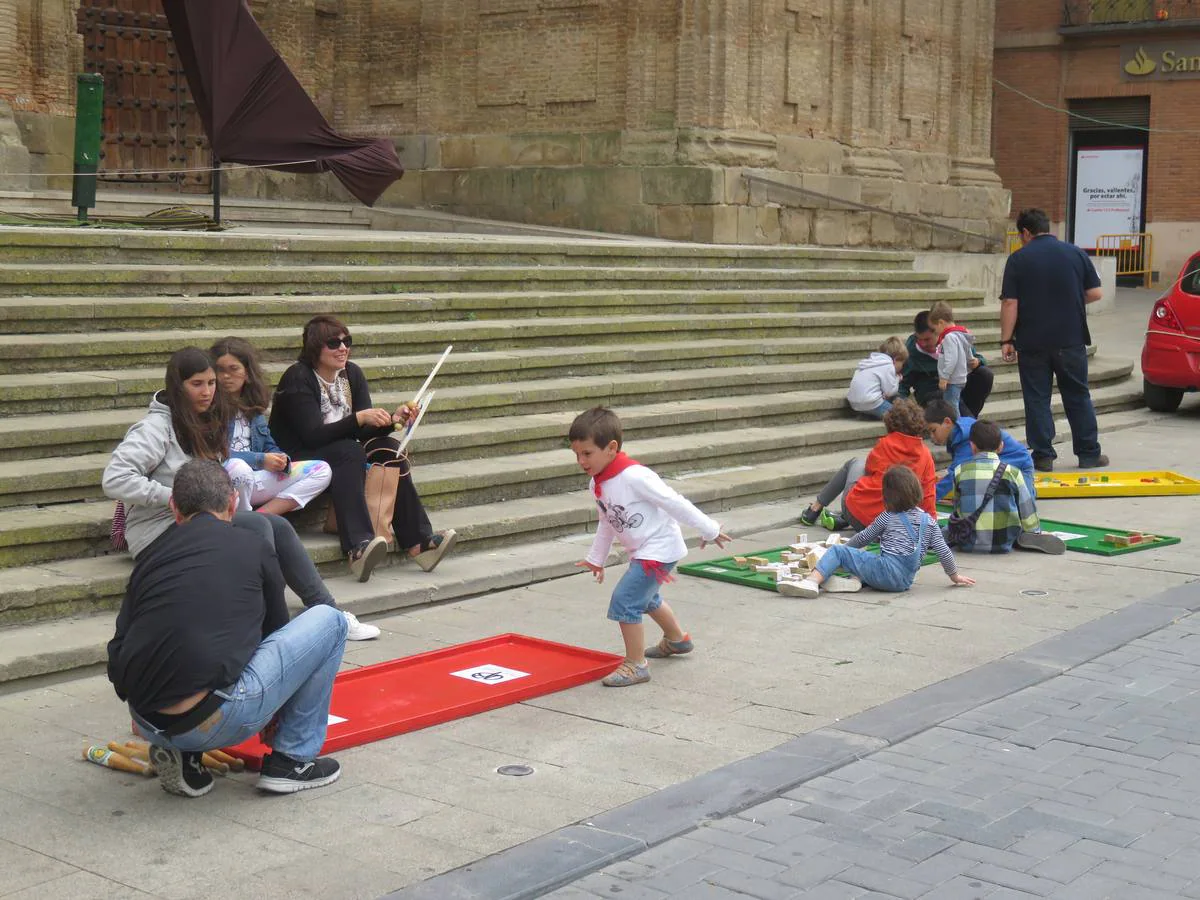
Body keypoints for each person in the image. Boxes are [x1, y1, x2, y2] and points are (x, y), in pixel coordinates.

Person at [101, 347, 380, 641]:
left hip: (199, 522)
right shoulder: (156, 428)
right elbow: (115, 478)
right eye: (197, 384)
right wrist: (171, 496)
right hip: (158, 533)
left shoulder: (203, 420)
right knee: (257, 525)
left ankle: (329, 612)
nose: (207, 392)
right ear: (177, 386)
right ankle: (274, 630)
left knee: (278, 526)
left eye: (210, 383)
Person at [108, 459, 347, 797]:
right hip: (214, 718)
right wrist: (276, 714)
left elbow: (117, 651)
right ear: (234, 502)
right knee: (330, 620)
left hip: (146, 719)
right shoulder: (255, 546)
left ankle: (186, 759)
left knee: (194, 642)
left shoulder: (149, 560)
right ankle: (292, 760)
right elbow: (274, 635)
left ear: (175, 508)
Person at [270, 315, 456, 582]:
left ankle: (419, 543)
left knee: (388, 449)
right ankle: (358, 547)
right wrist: (358, 418)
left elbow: (362, 430)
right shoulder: (298, 377)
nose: (343, 348)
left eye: (347, 341)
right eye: (333, 343)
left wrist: (392, 421)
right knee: (350, 450)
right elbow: (312, 436)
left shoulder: (351, 374)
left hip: (339, 451)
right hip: (297, 457)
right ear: (314, 347)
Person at [569, 407, 730, 688]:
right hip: (644, 551)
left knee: (625, 600)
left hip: (659, 551)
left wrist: (709, 529)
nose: (581, 461)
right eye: (577, 454)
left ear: (611, 448)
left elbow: (674, 502)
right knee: (646, 597)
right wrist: (596, 558)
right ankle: (678, 639)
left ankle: (636, 664)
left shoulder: (635, 477)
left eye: (587, 454)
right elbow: (606, 520)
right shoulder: (598, 481)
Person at [1000, 208, 1108, 472]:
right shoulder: (1075, 253)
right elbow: (1095, 293)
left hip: (1032, 341)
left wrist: (1006, 340)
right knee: (1078, 395)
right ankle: (1088, 453)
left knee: (1037, 398)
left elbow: (1010, 303)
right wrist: (1068, 300)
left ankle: (1043, 456)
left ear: (1025, 232)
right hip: (1070, 339)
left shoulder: (1018, 260)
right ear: (1047, 228)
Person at [782, 465, 974, 598]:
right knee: (867, 559)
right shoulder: (929, 521)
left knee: (841, 552)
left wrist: (844, 551)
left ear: (887, 496)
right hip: (905, 581)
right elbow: (943, 551)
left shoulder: (887, 516)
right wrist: (954, 575)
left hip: (885, 573)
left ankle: (811, 582)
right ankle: (854, 582)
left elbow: (864, 537)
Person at [210, 337, 332, 517]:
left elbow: (267, 444)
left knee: (322, 470)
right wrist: (261, 459)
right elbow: (214, 455)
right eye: (220, 370)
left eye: (233, 369)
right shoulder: (209, 408)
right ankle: (241, 518)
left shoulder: (252, 408)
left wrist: (280, 459)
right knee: (238, 467)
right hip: (224, 481)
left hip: (256, 479)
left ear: (247, 373)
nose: (226, 376)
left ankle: (260, 517)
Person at [799, 399, 937, 532]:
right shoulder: (926, 455)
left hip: (860, 516)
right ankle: (843, 517)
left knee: (855, 463)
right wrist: (932, 529)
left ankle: (815, 509)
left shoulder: (885, 444)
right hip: (894, 529)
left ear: (890, 423)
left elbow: (869, 469)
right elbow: (929, 494)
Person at [947, 420, 1064, 555]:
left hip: (968, 539)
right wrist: (1034, 530)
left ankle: (941, 538)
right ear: (1001, 446)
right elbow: (1026, 507)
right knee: (1020, 522)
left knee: (945, 529)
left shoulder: (959, 471)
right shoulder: (1012, 472)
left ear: (972, 446)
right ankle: (1025, 535)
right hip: (1004, 541)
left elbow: (957, 507)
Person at [922, 398, 1036, 502]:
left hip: (1019, 465)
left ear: (947, 422)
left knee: (1022, 503)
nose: (932, 436)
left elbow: (955, 474)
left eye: (933, 430)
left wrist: (928, 499)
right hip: (1001, 466)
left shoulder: (966, 436)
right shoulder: (958, 432)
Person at [898, 311, 993, 416]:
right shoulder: (911, 350)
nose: (923, 343)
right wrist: (899, 406)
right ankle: (969, 425)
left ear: (939, 332)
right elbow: (903, 383)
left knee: (985, 374)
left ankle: (968, 419)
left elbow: (979, 358)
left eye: (927, 339)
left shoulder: (954, 338)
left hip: (957, 383)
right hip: (931, 392)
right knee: (946, 395)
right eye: (919, 339)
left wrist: (978, 362)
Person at [927, 301, 975, 413]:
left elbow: (951, 360)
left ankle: (956, 428)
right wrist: (971, 360)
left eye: (934, 329)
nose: (936, 332)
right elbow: (968, 348)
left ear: (940, 323)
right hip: (960, 377)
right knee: (954, 404)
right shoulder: (961, 333)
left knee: (951, 407)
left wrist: (944, 377)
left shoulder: (949, 337)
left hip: (952, 379)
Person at [846, 336, 907, 419]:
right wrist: (897, 379)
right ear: (896, 359)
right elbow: (890, 391)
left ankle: (867, 415)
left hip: (854, 404)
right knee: (901, 415)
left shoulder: (870, 362)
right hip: (872, 403)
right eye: (902, 363)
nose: (902, 367)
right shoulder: (888, 366)